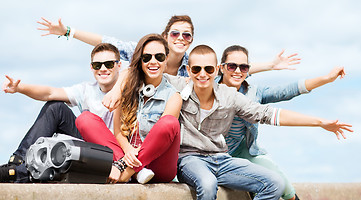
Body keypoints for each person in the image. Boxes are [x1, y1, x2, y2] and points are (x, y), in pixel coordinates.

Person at [165, 45, 352, 200]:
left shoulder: (237, 95)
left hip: (230, 156)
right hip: (195, 157)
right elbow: (150, 73)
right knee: (207, 183)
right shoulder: (186, 84)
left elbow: (275, 106)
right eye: (197, 69)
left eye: (208, 69)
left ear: (216, 70)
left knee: (278, 184)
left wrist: (320, 121)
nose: (203, 74)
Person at [37, 16, 301, 110]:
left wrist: (270, 65)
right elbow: (108, 41)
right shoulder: (148, 51)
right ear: (166, 36)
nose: (181, 38)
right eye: (175, 33)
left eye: (187, 35)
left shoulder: (192, 64)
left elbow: (225, 71)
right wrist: (69, 31)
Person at [217, 45, 346, 200]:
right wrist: (269, 66)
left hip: (244, 150)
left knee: (286, 189)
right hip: (216, 153)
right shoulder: (208, 87)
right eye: (232, 66)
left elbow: (287, 90)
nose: (238, 71)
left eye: (243, 67)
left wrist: (326, 79)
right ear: (222, 68)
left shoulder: (254, 92)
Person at [0, 43, 121, 183]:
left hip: (112, 151)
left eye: (109, 64)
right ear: (91, 67)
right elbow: (50, 93)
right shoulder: (86, 90)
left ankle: (15, 174)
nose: (103, 69)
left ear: (119, 66)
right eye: (97, 65)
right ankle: (17, 162)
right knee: (56, 107)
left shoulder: (128, 87)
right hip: (88, 145)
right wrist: (19, 88)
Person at [75, 34, 182, 184]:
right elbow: (118, 131)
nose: (153, 61)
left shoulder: (174, 96)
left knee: (169, 123)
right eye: (147, 57)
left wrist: (127, 165)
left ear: (166, 59)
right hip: (127, 156)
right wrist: (128, 151)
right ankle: (135, 172)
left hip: (158, 165)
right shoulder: (127, 87)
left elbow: (163, 138)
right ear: (140, 60)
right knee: (84, 119)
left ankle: (127, 172)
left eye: (159, 57)